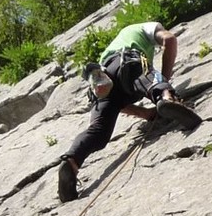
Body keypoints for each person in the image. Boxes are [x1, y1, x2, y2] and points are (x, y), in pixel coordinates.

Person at [58, 20, 179, 201]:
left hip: (104, 81)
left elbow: (119, 102)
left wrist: (145, 114)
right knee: (146, 76)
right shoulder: (145, 28)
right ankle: (167, 98)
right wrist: (165, 81)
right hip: (125, 61)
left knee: (98, 131)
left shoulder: (108, 51)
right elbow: (169, 39)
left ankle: (72, 161)